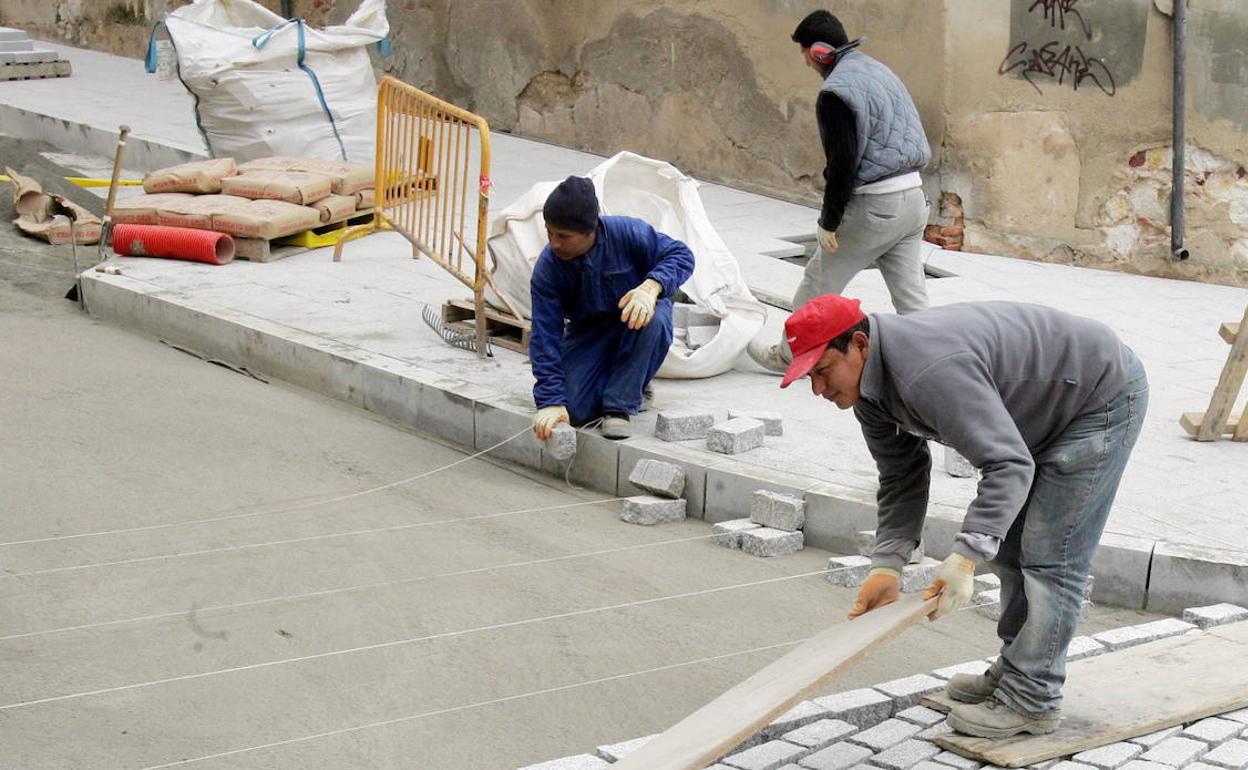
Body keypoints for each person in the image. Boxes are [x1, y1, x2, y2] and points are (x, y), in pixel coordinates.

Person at [779, 294, 1148, 739]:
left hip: (1098, 394)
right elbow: (901, 476)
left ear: (859, 344)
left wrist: (966, 556)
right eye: (809, 378)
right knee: (1009, 550)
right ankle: (1017, 671)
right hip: (1042, 404)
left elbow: (1007, 464)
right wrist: (887, 565)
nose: (818, 389)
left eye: (822, 371)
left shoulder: (928, 372)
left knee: (1052, 557)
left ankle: (1033, 698)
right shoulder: (870, 394)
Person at [749, 10, 932, 372]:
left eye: (804, 53)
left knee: (818, 283)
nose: (805, 61)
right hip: (913, 199)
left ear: (819, 52)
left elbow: (843, 164)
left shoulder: (836, 93)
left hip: (876, 206)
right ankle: (933, 358)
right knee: (911, 296)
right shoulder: (879, 70)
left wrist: (828, 221)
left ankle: (788, 357)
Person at [529, 176, 695, 441]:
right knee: (573, 410)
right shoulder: (548, 268)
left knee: (656, 320)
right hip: (589, 333)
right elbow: (544, 336)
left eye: (563, 236)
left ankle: (619, 405)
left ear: (590, 231)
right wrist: (550, 401)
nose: (554, 243)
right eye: (549, 233)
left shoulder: (628, 233)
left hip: (636, 321)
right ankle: (627, 382)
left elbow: (682, 255)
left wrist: (651, 287)